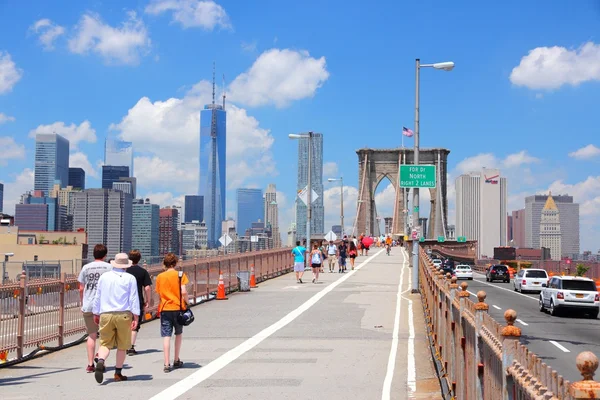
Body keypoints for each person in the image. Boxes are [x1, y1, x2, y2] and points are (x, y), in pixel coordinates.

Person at [92, 253, 139, 383]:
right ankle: (118, 373)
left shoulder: (104, 277)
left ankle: (101, 360)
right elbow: (133, 299)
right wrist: (136, 317)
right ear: (126, 265)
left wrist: (96, 313)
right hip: (123, 314)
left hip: (106, 314)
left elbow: (98, 296)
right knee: (122, 346)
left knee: (105, 343)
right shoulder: (130, 278)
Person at [78, 244, 112, 373]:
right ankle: (100, 357)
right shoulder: (109, 268)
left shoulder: (86, 268)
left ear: (94, 254)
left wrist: (83, 302)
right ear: (105, 255)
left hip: (89, 305)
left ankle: (90, 364)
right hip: (105, 306)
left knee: (91, 335)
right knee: (104, 335)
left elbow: (81, 288)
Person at [155, 253, 188, 373]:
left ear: (165, 263)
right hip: (178, 308)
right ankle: (176, 359)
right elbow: (183, 292)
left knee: (166, 335)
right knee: (178, 333)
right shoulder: (180, 275)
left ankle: (166, 363)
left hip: (165, 308)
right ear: (175, 263)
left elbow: (159, 294)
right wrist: (187, 303)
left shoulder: (160, 277)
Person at [126, 250, 152, 356]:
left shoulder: (124, 270)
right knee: (135, 324)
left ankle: (123, 344)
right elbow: (147, 288)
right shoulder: (142, 272)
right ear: (139, 259)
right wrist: (148, 301)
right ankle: (131, 347)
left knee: (125, 323)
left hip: (124, 301)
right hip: (137, 300)